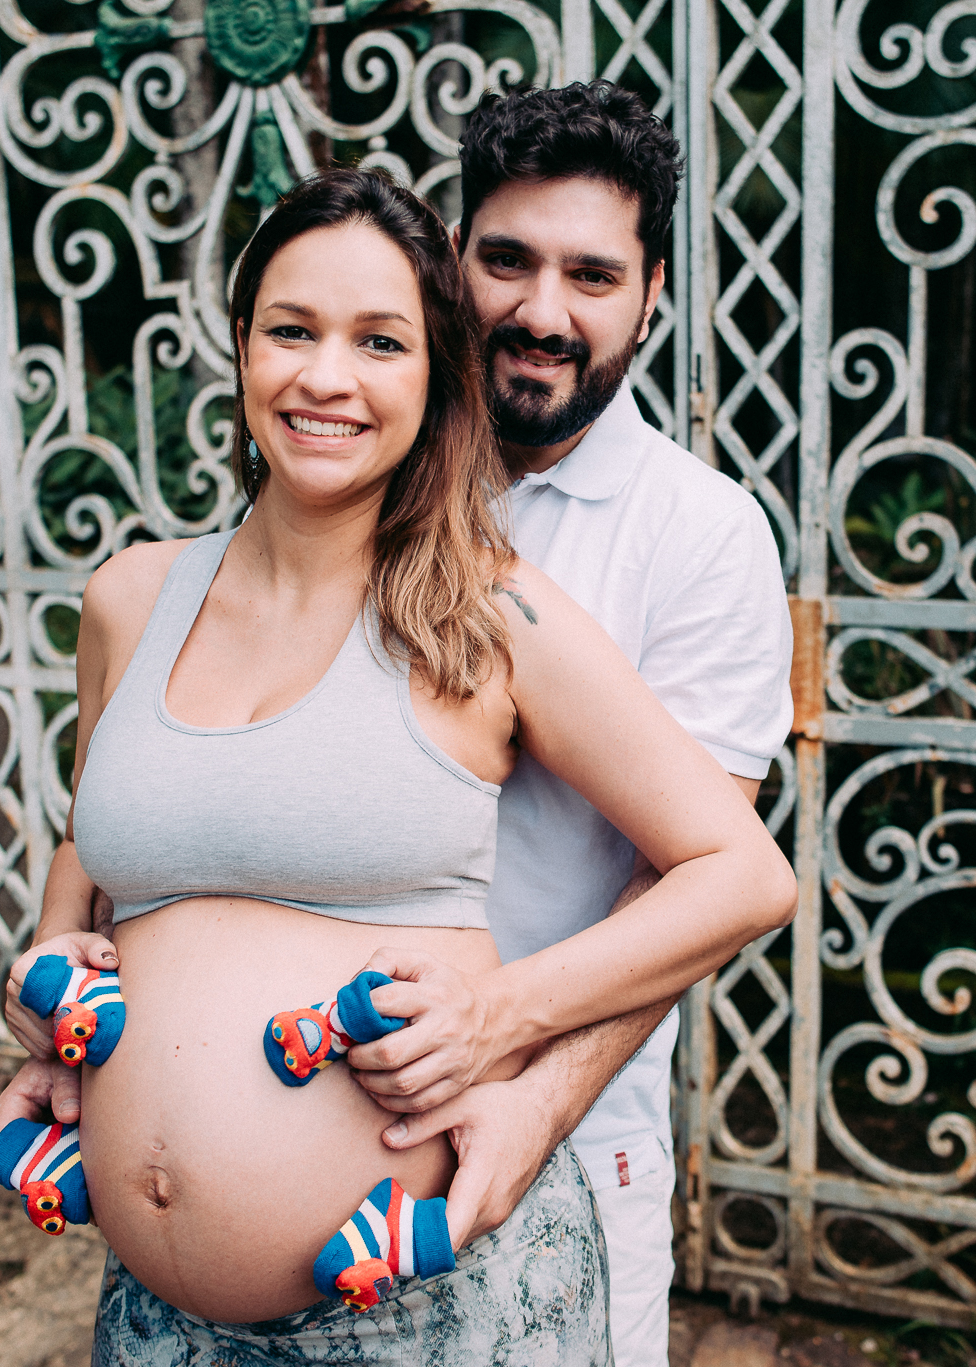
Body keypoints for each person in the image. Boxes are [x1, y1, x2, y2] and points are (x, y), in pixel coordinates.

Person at [0, 167, 796, 1363]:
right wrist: (48, 991)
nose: (325, 376)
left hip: (429, 1302)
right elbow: (90, 832)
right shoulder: (128, 595)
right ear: (240, 345)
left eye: (379, 340)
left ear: (435, 378)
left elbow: (741, 874)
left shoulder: (484, 613)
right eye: (290, 330)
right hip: (159, 1318)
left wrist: (496, 1014)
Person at [353, 84, 795, 1367]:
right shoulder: (352, 468)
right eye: (506, 259)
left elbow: (694, 888)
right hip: (319, 1107)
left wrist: (523, 1084)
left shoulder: (700, 535)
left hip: (565, 1126)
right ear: (450, 263)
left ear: (650, 295)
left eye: (590, 274)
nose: (542, 311)